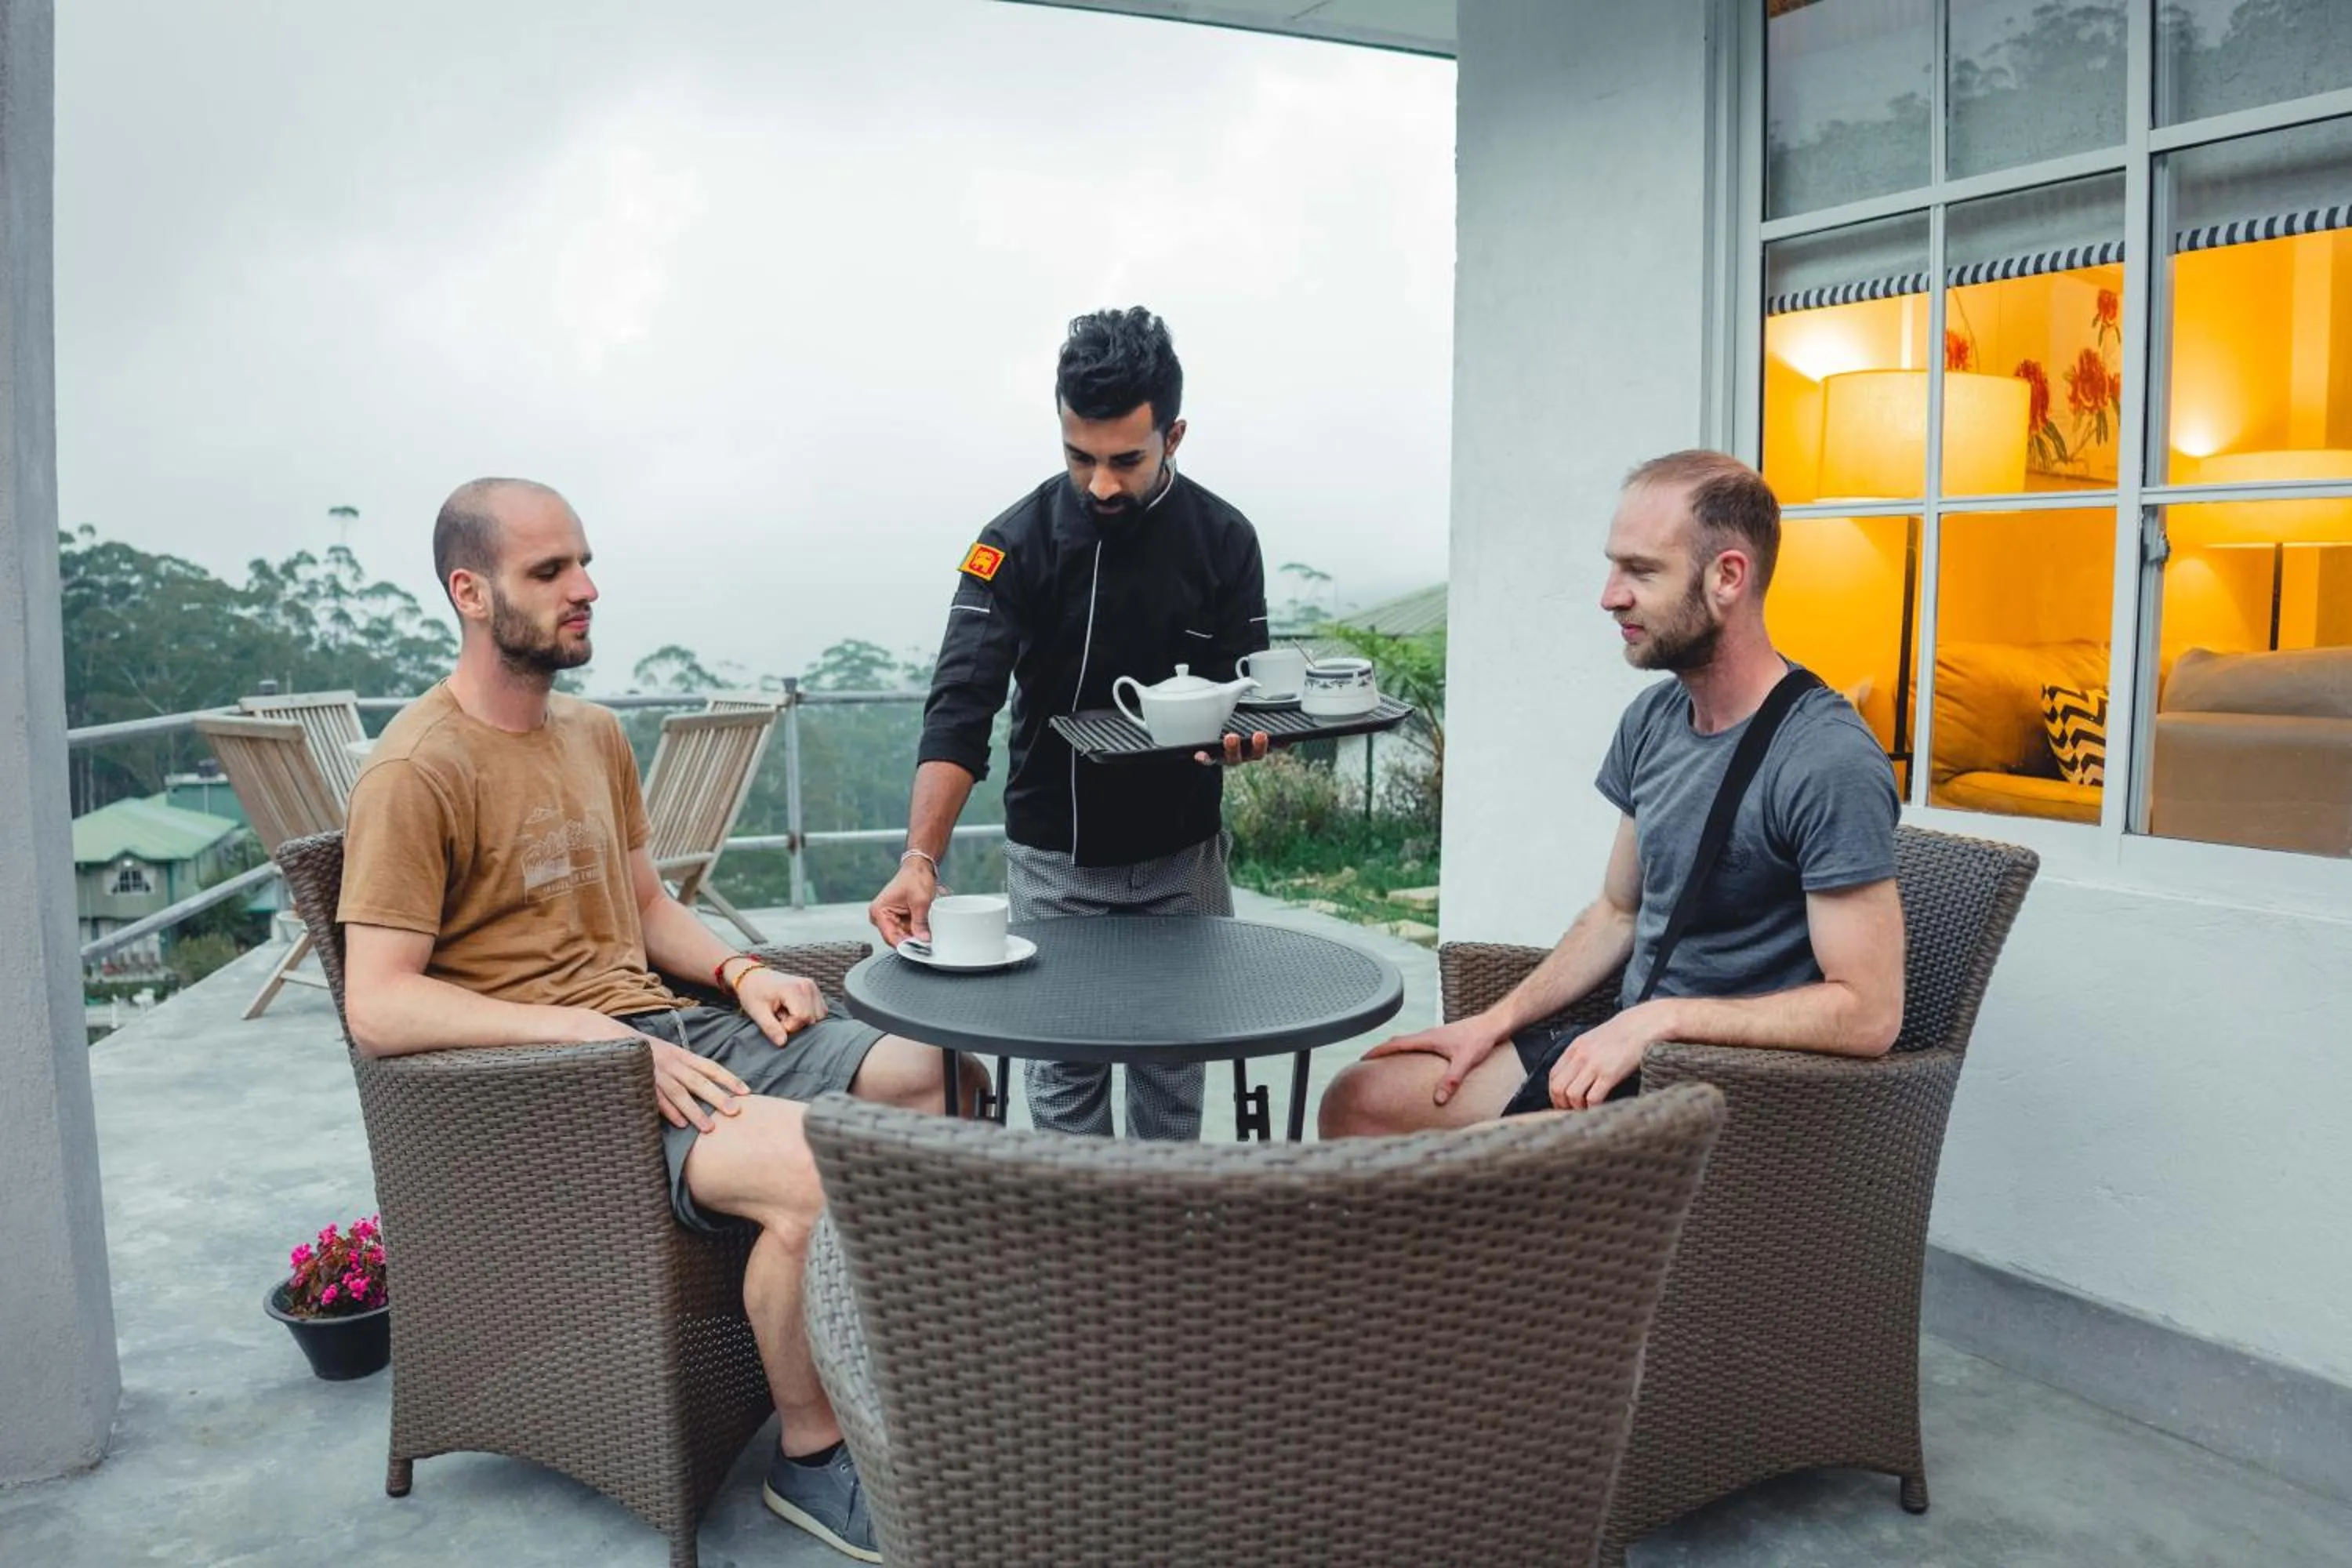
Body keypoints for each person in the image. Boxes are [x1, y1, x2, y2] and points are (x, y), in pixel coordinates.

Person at [339, 477, 952, 1563]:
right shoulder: (415, 768)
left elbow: (648, 905)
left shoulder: (593, 733)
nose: (587, 589)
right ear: (469, 592)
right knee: (821, 1175)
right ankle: (811, 1462)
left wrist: (739, 967)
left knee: (933, 1074)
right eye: (550, 573)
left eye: (582, 562)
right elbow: (378, 1002)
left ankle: (898, 1362)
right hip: (553, 1093)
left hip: (661, 1027)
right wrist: (596, 1042)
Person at [1318, 450, 1905, 1135]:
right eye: (1613, 564)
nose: (1610, 595)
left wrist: (1662, 1020)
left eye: (1641, 570)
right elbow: (1617, 913)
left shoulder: (1824, 758)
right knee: (1358, 1099)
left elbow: (1870, 1013)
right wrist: (1491, 1022)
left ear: (1728, 577)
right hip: (1620, 1060)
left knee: (1460, 1165)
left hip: (1724, 1095)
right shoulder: (1654, 721)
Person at [868, 307, 1273, 1142]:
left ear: (1175, 435)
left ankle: (1167, 1256)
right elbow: (960, 706)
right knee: (1063, 1091)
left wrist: (1248, 733)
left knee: (1171, 1085)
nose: (1100, 484)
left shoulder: (1227, 539)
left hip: (1182, 857)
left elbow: (1250, 687)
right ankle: (1074, 1265)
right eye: (1077, 456)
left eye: (1126, 459)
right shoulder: (1007, 544)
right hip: (1056, 860)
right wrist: (920, 859)